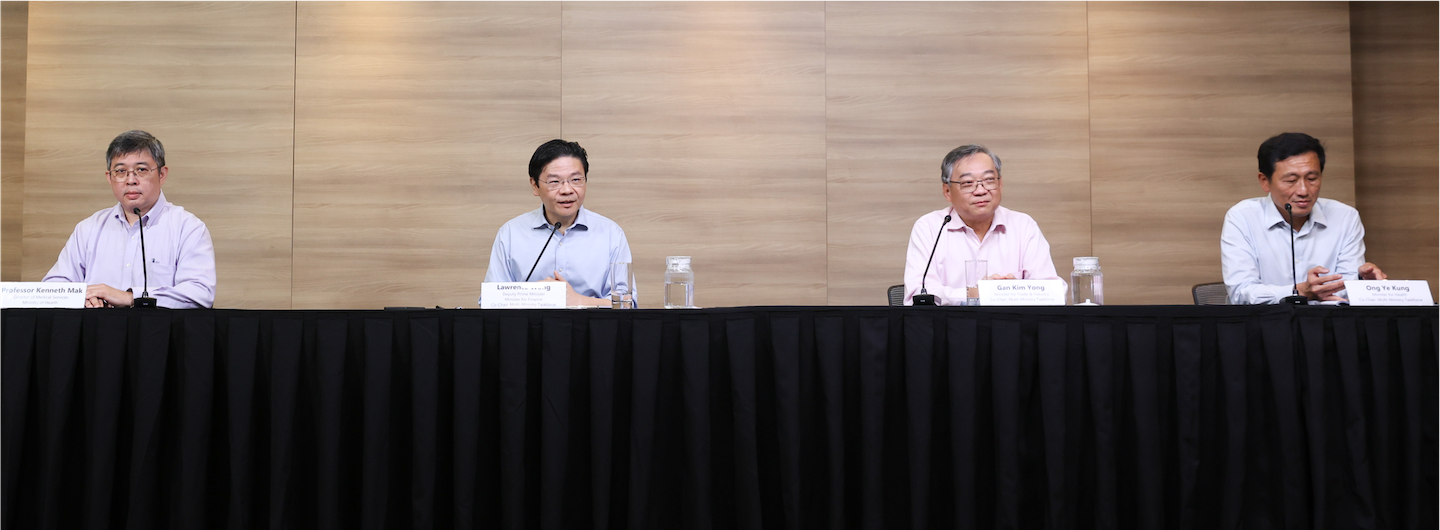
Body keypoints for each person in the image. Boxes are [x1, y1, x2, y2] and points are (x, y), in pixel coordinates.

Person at [43, 130, 216, 308]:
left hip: (158, 333)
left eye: (141, 170)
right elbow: (53, 287)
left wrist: (132, 298)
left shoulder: (188, 228)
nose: (130, 180)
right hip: (98, 332)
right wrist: (83, 298)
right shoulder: (88, 229)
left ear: (162, 174)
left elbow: (200, 293)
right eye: (120, 171)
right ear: (109, 178)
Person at [1221, 132, 1386, 304]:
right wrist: (1299, 292)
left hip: (1327, 326)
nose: (1303, 191)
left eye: (1312, 178)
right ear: (1264, 181)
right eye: (1291, 180)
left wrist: (1363, 288)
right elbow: (1241, 293)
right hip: (1264, 325)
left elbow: (1343, 290)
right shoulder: (1242, 218)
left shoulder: (1345, 217)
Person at [903, 144, 1060, 305]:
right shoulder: (930, 228)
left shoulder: (1023, 226)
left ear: (1000, 184)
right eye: (968, 183)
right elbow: (917, 293)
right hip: (950, 327)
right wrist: (978, 294)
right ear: (947, 191)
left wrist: (1013, 291)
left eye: (989, 180)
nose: (980, 191)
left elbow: (1054, 291)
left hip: (1008, 327)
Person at [483, 139, 633, 306]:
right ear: (534, 185)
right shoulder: (511, 233)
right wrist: (537, 298)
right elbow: (490, 303)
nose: (567, 190)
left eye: (576, 180)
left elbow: (626, 305)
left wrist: (577, 301)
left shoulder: (611, 233)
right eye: (554, 182)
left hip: (593, 330)